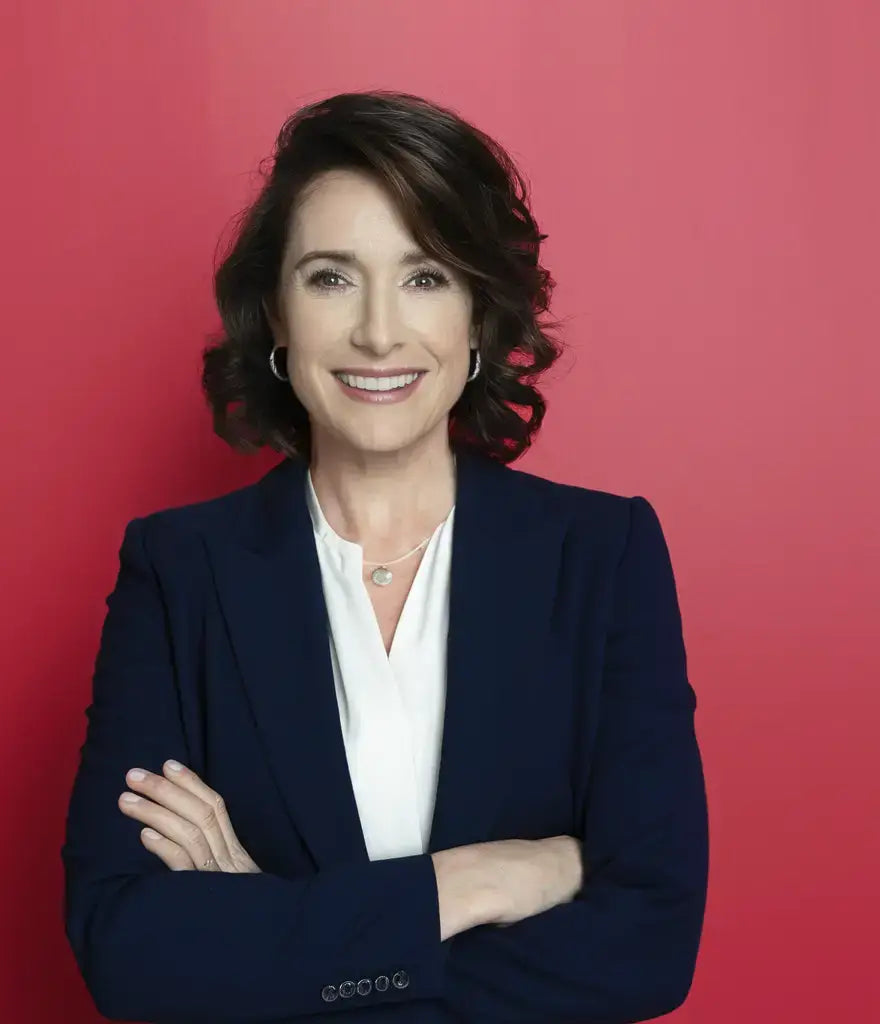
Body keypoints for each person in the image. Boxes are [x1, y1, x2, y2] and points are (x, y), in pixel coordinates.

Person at [60, 90, 709, 1024]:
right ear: (276, 314)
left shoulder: (603, 559)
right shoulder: (180, 572)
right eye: (330, 277)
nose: (376, 331)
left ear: (481, 317)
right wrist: (460, 886)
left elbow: (649, 949)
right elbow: (127, 953)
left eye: (426, 276)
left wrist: (269, 930)